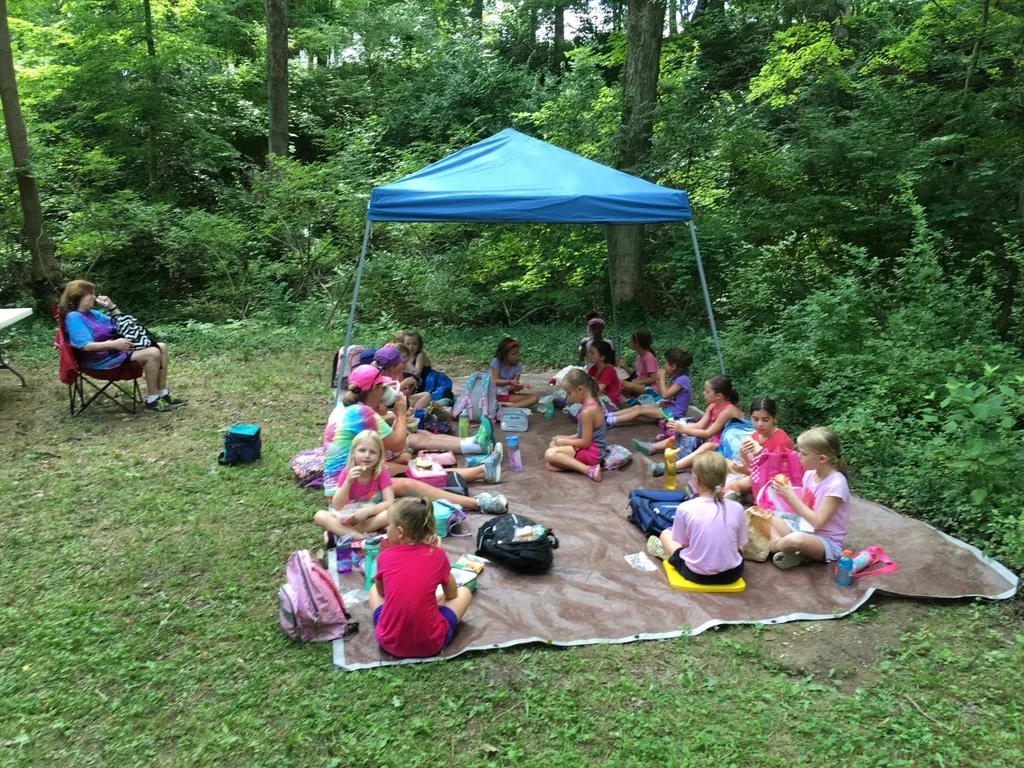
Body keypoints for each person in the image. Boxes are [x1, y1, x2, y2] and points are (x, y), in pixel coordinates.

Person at [323, 365, 507, 513]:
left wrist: (396, 415)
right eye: (382, 388)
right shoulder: (363, 413)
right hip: (348, 488)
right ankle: (477, 503)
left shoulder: (346, 406)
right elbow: (398, 443)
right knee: (411, 482)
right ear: (375, 390)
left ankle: (482, 470)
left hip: (352, 474)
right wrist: (400, 413)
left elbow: (393, 444)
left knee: (410, 467)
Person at [58, 279, 186, 413]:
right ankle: (152, 401)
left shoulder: (93, 314)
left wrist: (111, 306)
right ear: (79, 296)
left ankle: (162, 394)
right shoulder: (74, 317)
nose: (94, 297)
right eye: (91, 294)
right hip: (100, 360)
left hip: (115, 352)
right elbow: (86, 346)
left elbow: (122, 323)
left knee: (161, 347)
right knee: (153, 353)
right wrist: (114, 344)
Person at [369, 497, 473, 659]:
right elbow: (452, 595)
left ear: (400, 532)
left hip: (388, 641)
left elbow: (382, 592)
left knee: (374, 589)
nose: (386, 529)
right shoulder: (437, 555)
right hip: (430, 644)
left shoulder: (385, 556)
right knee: (465, 592)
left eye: (388, 525)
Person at [646, 452, 747, 585]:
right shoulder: (738, 507)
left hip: (696, 574)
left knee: (665, 534)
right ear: (724, 478)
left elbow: (682, 543)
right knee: (735, 546)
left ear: (696, 479)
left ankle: (665, 552)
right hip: (732, 574)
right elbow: (741, 544)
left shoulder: (686, 508)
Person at [769, 427, 850, 569]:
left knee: (796, 540)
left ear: (822, 459)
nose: (798, 455)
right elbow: (802, 510)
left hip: (825, 541)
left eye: (804, 453)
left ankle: (773, 545)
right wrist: (785, 495)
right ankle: (791, 552)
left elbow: (818, 522)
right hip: (802, 527)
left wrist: (790, 496)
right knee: (761, 515)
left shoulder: (837, 484)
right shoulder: (809, 475)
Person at [648, 375, 744, 477]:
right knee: (684, 433)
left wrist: (684, 429)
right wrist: (679, 426)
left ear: (719, 396)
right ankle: (652, 447)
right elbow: (700, 425)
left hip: (731, 447)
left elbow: (707, 434)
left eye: (707, 391)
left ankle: (671, 467)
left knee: (707, 445)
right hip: (717, 440)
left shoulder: (727, 411)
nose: (704, 393)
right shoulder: (712, 406)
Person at [313, 430, 395, 540]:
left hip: (371, 517)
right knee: (320, 515)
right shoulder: (347, 473)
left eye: (372, 452)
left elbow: (390, 502)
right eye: (362, 450)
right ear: (353, 453)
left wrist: (369, 510)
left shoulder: (381, 472)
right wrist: (348, 482)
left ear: (379, 456)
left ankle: (345, 534)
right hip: (348, 518)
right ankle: (363, 538)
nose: (367, 455)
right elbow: (337, 506)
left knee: (389, 514)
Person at [544, 369, 607, 482]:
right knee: (553, 444)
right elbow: (583, 434)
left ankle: (589, 470)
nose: (568, 397)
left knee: (550, 454)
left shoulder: (588, 411)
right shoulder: (591, 404)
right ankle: (570, 464)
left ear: (580, 389)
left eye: (569, 393)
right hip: (593, 449)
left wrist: (565, 441)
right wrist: (564, 437)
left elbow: (585, 442)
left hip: (593, 453)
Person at [723, 397, 795, 497]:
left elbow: (774, 474)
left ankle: (727, 489)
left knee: (742, 484)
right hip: (755, 474)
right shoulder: (755, 436)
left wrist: (760, 454)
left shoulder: (780, 441)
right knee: (721, 461)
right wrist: (743, 457)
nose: (759, 424)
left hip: (772, 481)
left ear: (774, 418)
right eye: (755, 419)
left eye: (765, 420)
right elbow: (752, 465)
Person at [605, 348, 693, 427]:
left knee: (639, 410)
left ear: (673, 366)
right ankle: (610, 415)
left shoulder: (683, 380)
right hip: (669, 408)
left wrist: (662, 378)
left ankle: (610, 421)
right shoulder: (677, 379)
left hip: (673, 414)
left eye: (666, 363)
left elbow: (665, 395)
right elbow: (666, 395)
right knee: (637, 407)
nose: (664, 366)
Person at [374, 345, 430, 411]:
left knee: (426, 395)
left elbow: (401, 394)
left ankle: (414, 413)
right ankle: (408, 413)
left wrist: (409, 389)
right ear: (392, 367)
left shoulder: (398, 373)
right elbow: (385, 394)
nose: (406, 365)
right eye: (403, 362)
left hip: (397, 401)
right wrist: (403, 384)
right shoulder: (380, 377)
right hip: (387, 407)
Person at [490, 338, 539, 409]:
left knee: (535, 398)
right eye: (513, 354)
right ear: (505, 355)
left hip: (509, 394)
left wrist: (522, 386)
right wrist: (510, 382)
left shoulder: (517, 367)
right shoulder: (497, 362)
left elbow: (515, 388)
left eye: (517, 353)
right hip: (496, 394)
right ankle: (510, 407)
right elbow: (494, 381)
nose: (517, 357)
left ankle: (508, 408)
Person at [617, 329, 658, 398]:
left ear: (637, 343)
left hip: (651, 389)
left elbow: (653, 378)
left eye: (632, 341)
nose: (631, 343)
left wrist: (635, 383)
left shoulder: (648, 357)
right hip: (639, 386)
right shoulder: (639, 357)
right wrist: (625, 367)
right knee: (618, 381)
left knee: (627, 385)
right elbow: (636, 375)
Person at [586, 339, 621, 406]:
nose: (588, 355)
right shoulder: (593, 369)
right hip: (600, 396)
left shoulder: (609, 370)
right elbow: (586, 383)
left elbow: (599, 390)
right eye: (589, 352)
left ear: (602, 357)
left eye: (592, 353)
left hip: (610, 400)